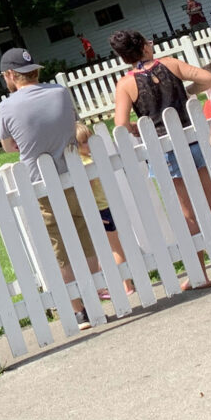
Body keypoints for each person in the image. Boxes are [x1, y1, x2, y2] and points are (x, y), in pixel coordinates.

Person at [110, 29, 211, 286]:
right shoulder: (170, 64)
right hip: (190, 137)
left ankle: (199, 273)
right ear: (145, 47)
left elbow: (120, 123)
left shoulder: (126, 84)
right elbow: (208, 77)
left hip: (162, 147)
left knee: (186, 212)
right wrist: (187, 91)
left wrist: (136, 127)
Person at [0, 48, 96, 329]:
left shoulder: (6, 107)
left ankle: (79, 309)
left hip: (38, 180)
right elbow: (72, 122)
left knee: (57, 243)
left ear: (11, 75)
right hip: (71, 170)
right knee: (83, 230)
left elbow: (7, 145)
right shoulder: (60, 92)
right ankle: (95, 292)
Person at [73, 124, 135, 299]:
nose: (88, 145)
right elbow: (88, 189)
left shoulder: (81, 162)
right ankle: (126, 284)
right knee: (115, 248)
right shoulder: (88, 163)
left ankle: (107, 286)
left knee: (100, 250)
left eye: (89, 139)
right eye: (84, 142)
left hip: (98, 208)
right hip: (100, 209)